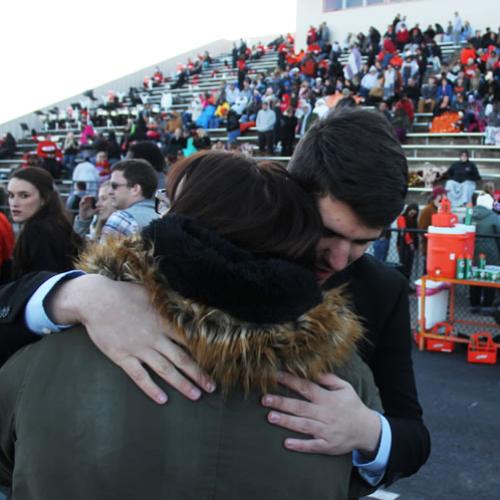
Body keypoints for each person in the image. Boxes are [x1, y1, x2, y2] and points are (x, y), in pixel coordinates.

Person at [0, 108, 430, 488]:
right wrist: (77, 294)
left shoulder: (381, 289)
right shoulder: (187, 255)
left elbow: (413, 433)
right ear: (290, 198)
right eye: (330, 233)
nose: (340, 259)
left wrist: (369, 433)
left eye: (362, 243)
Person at [6, 167, 83, 281]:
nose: (14, 203)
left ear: (44, 198)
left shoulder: (37, 230)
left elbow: (43, 283)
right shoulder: (55, 224)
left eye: (24, 196)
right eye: (11, 195)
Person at [100, 159, 159, 240]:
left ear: (135, 189)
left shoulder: (122, 219)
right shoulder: (164, 216)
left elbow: (101, 252)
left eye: (114, 186)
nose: (110, 192)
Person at [469, 194, 500, 313]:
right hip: (491, 253)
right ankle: (487, 307)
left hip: (472, 253)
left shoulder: (470, 215)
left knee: (474, 278)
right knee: (490, 279)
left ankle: (474, 305)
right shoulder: (494, 218)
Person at [418, 186, 446, 269]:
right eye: (444, 194)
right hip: (429, 249)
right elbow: (422, 230)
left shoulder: (441, 209)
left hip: (439, 249)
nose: (446, 197)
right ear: (438, 196)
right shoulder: (427, 210)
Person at [396, 203, 420, 281]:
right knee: (403, 265)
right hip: (403, 245)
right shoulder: (401, 218)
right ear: (408, 210)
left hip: (411, 247)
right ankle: (402, 282)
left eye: (415, 212)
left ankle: (407, 283)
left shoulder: (413, 220)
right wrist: (410, 242)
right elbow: (404, 231)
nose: (413, 213)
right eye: (412, 211)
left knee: (409, 266)